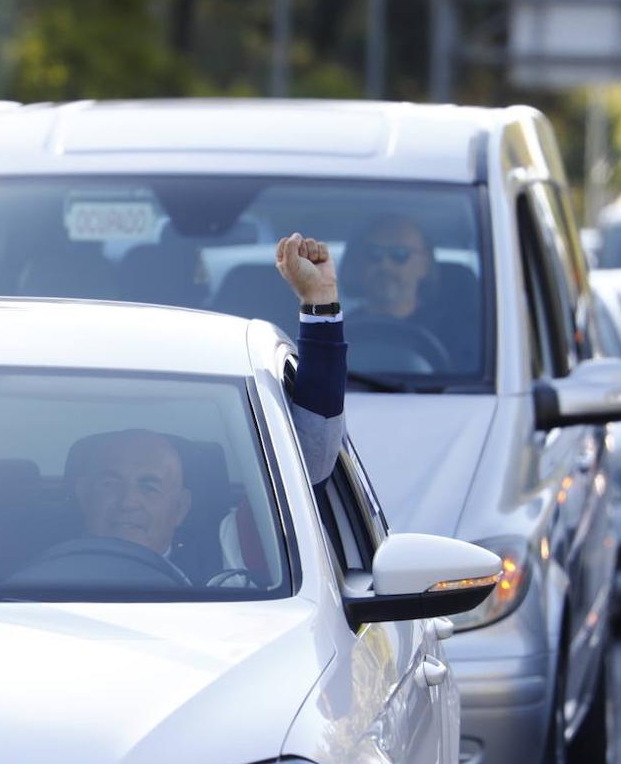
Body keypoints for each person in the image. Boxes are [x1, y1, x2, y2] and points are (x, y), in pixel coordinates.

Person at [68, 233, 346, 565]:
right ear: (83, 495)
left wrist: (320, 300)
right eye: (109, 484)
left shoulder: (234, 553)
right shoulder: (14, 572)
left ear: (181, 507)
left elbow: (312, 451)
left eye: (149, 486)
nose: (129, 502)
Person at [341, 215, 480, 370]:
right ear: (359, 264)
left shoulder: (459, 337)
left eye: (400, 254)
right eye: (374, 254)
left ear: (425, 264)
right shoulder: (340, 333)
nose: (385, 265)